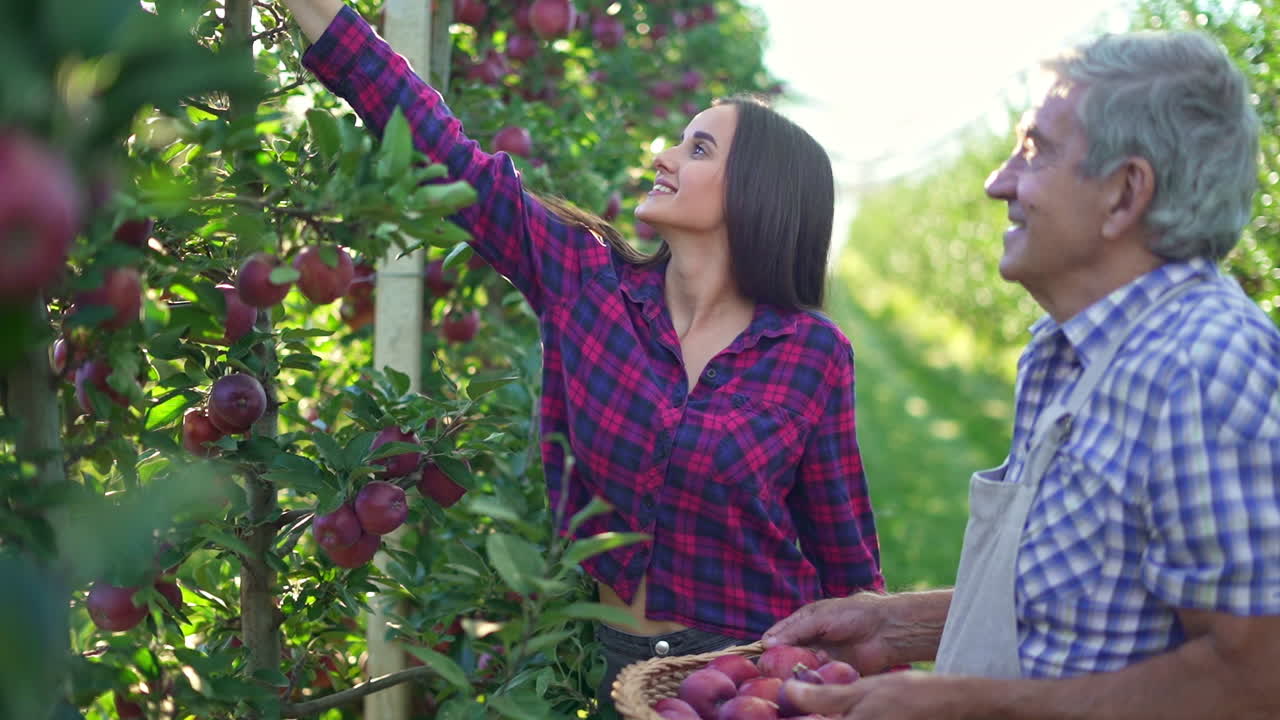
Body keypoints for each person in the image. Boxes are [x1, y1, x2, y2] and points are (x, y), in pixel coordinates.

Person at [278, 0, 885, 704]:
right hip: (614, 667)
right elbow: (447, 157)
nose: (663, 155)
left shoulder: (810, 354)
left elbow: (846, 561)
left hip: (754, 677)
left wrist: (877, 692)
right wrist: (319, 13)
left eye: (698, 148)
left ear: (758, 192)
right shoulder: (585, 283)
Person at [760, 29, 1280, 720]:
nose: (996, 181)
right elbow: (1081, 611)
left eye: (1034, 150)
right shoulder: (1067, 352)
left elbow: (1252, 681)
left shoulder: (1204, 367)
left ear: (1124, 195)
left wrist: (966, 706)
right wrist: (897, 625)